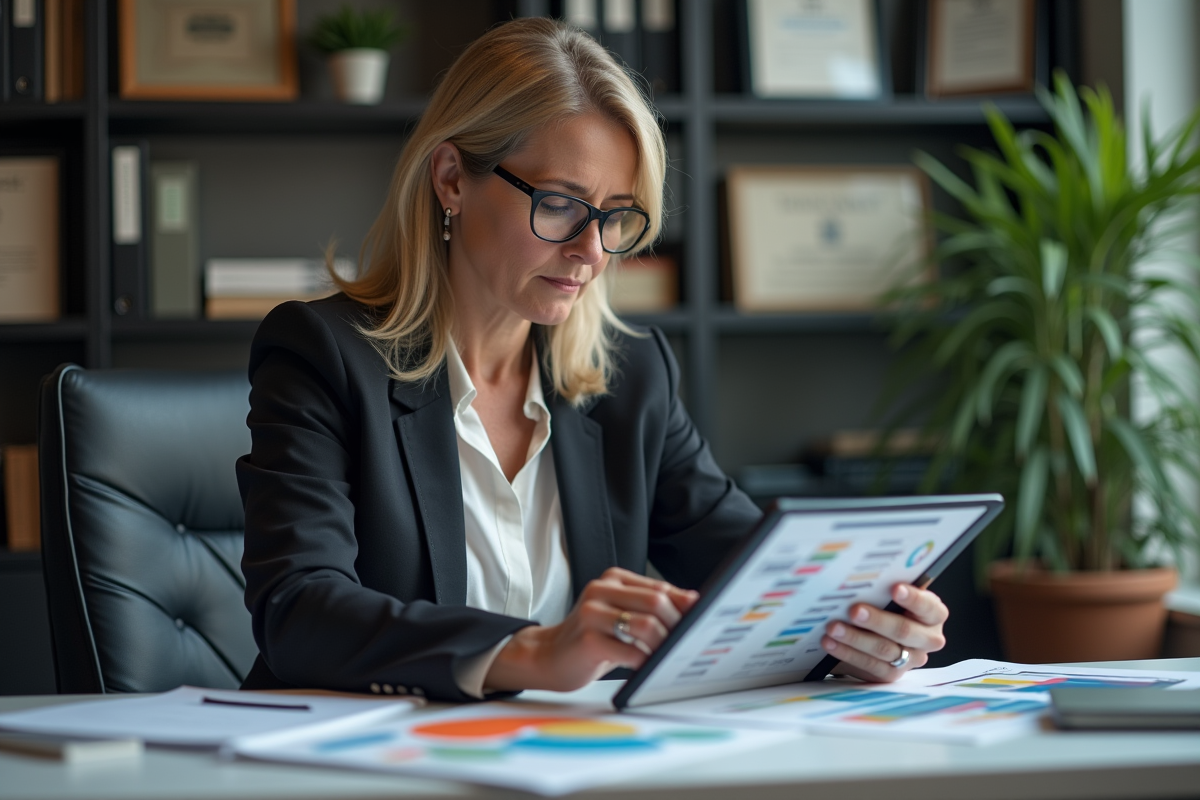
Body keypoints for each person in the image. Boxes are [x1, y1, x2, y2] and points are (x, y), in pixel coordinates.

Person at [237, 17, 948, 701]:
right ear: (451, 178)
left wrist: (866, 627)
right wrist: (535, 651)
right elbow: (299, 610)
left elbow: (752, 579)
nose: (593, 250)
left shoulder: (630, 377)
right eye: (560, 204)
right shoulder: (322, 355)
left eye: (616, 216)